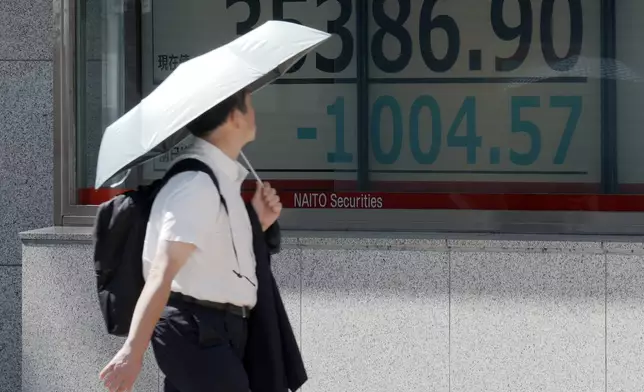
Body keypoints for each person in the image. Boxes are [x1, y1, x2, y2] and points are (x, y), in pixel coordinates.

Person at [98, 88, 284, 392]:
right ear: (234, 117)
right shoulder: (196, 185)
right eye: (248, 105)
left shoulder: (220, 181)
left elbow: (216, 256)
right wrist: (132, 352)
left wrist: (259, 221)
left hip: (221, 330)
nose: (254, 113)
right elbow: (163, 271)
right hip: (197, 329)